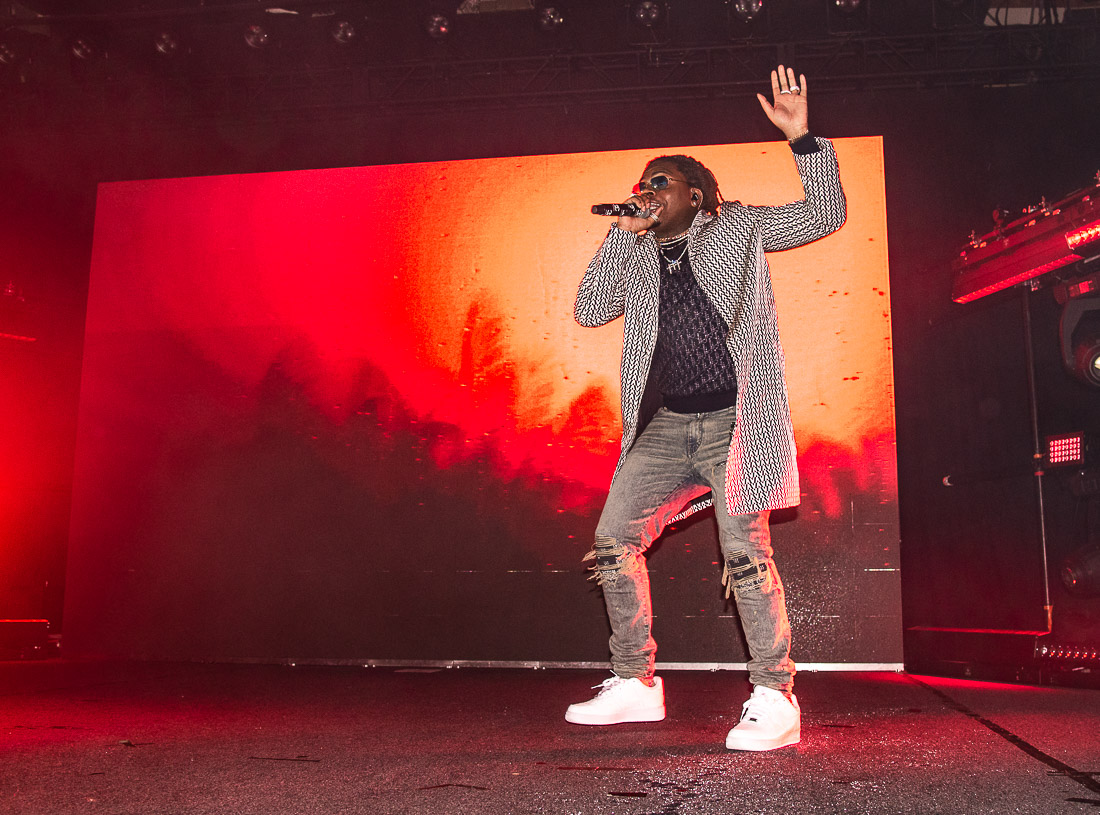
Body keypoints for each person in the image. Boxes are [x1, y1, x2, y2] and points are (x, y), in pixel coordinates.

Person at [565, 66, 847, 751]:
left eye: (660, 183)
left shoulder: (738, 227)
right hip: (667, 428)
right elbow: (589, 307)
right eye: (642, 183)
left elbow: (824, 214)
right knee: (613, 537)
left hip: (733, 421)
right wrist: (621, 232)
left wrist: (802, 137)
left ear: (698, 194)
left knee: (745, 553)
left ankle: (774, 695)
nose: (647, 192)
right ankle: (636, 681)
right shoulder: (636, 249)